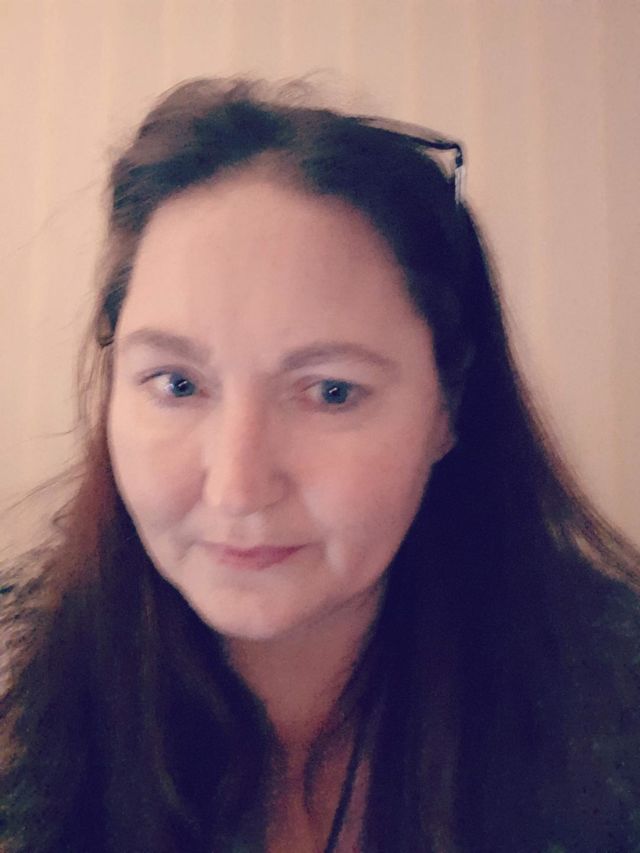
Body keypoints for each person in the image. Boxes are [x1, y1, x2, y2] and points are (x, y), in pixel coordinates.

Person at [1, 76, 639, 853]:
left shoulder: (612, 693)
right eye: (176, 384)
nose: (236, 488)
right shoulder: (16, 687)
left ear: (447, 406)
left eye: (331, 391)